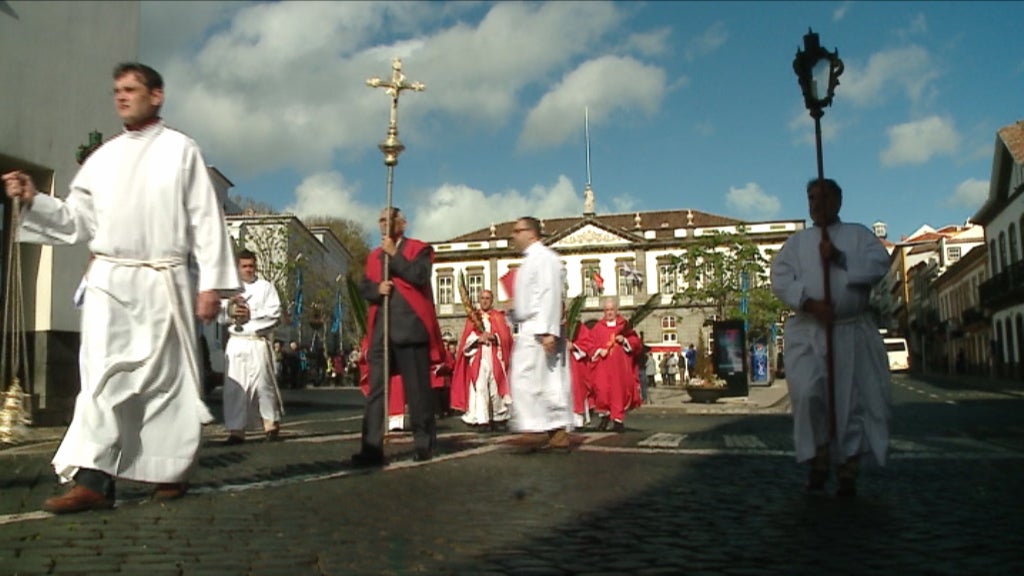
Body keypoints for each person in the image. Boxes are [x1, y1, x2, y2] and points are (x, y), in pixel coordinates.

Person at [2, 62, 240, 514]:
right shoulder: (103, 158)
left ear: (157, 95)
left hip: (162, 281)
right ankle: (93, 480)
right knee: (100, 378)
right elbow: (75, 221)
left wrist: (211, 284)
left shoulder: (180, 150)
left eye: (130, 89)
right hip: (110, 281)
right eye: (116, 90)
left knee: (163, 381)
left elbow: (205, 219)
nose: (121, 97)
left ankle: (168, 468)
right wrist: (34, 198)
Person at [770, 178, 891, 498]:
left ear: (838, 201)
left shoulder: (858, 235)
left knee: (849, 400)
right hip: (809, 331)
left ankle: (847, 466)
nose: (816, 204)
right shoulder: (796, 244)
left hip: (849, 331)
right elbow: (780, 279)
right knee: (809, 393)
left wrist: (839, 258)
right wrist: (809, 303)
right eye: (811, 198)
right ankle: (818, 455)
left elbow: (880, 265)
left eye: (823, 197)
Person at [352, 207, 444, 465]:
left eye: (388, 219)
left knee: (417, 391)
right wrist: (376, 289)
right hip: (381, 330)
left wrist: (395, 255)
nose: (383, 224)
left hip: (410, 327)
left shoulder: (419, 249)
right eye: (380, 220)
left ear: (402, 223)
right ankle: (370, 448)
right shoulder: (373, 256)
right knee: (376, 393)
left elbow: (419, 276)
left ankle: (424, 444)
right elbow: (363, 286)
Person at [507, 217, 573, 452]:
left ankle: (537, 429)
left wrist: (548, 330)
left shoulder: (544, 258)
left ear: (531, 233)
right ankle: (553, 430)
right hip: (529, 326)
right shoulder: (531, 260)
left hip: (538, 328)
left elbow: (549, 293)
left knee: (534, 380)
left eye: (518, 230)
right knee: (538, 380)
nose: (513, 235)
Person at [220, 249, 283, 445]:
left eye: (251, 266)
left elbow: (274, 313)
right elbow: (218, 314)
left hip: (257, 341)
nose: (248, 270)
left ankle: (270, 424)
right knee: (234, 387)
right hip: (236, 342)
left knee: (263, 385)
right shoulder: (228, 289)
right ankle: (236, 430)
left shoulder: (266, 287)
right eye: (244, 266)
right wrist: (231, 311)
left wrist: (250, 315)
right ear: (237, 268)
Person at [450, 289, 512, 430]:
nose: (484, 300)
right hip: (479, 358)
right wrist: (478, 338)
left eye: (487, 298)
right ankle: (482, 420)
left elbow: (506, 337)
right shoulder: (473, 318)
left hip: (495, 357)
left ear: (492, 300)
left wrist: (494, 337)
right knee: (481, 388)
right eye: (482, 298)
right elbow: (466, 340)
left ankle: (498, 417)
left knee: (496, 389)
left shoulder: (498, 317)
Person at [587, 297, 642, 433]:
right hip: (602, 368)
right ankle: (604, 418)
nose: (609, 312)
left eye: (611, 309)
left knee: (618, 392)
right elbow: (590, 345)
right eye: (606, 310)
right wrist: (599, 350)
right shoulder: (598, 328)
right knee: (602, 391)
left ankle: (618, 420)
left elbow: (636, 343)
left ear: (616, 310)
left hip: (619, 369)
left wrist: (624, 340)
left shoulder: (623, 326)